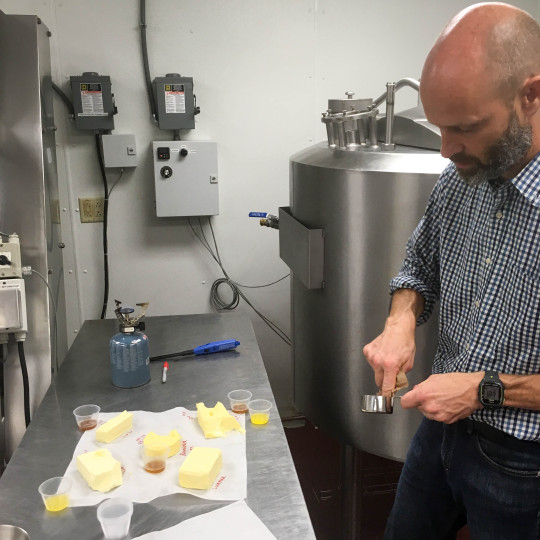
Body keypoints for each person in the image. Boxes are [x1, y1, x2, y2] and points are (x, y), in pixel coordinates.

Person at [363, 3, 540, 539]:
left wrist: (485, 391)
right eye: (439, 127)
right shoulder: (463, 173)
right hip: (440, 432)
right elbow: (419, 265)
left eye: (465, 127)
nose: (446, 150)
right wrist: (399, 323)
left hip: (524, 461)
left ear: (531, 96)